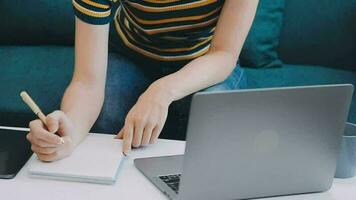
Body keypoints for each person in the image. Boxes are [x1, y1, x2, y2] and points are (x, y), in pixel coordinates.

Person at [26, 0, 259, 161]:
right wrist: (67, 136)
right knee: (106, 116)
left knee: (214, 119)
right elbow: (87, 82)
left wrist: (162, 91)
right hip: (134, 56)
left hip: (205, 62)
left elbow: (224, 54)